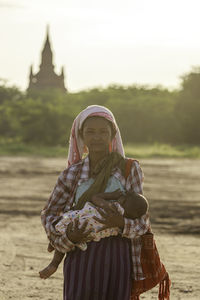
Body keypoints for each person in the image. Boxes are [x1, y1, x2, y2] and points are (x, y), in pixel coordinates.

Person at [41, 105, 170, 300]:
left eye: (103, 132)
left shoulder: (128, 169)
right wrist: (69, 237)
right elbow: (49, 215)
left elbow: (142, 222)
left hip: (117, 254)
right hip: (79, 254)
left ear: (113, 135)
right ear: (81, 136)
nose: (97, 137)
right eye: (90, 132)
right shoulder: (71, 175)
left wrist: (120, 223)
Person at [39, 189, 149, 279]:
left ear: (124, 201)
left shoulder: (112, 207)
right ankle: (54, 260)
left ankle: (53, 248)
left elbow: (95, 198)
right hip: (90, 234)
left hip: (82, 220)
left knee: (64, 226)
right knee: (68, 236)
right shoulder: (122, 219)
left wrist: (111, 194)